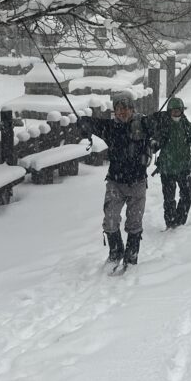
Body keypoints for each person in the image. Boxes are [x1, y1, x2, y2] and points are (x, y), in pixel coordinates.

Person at [79, 88, 154, 268]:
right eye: (118, 108)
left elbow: (161, 125)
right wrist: (83, 123)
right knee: (110, 220)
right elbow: (90, 123)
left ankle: (131, 255)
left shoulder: (143, 124)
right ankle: (116, 251)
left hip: (137, 182)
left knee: (134, 222)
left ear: (132, 108)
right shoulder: (110, 127)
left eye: (125, 108)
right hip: (115, 182)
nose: (122, 112)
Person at [151, 96, 191, 229]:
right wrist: (154, 139)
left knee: (186, 196)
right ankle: (170, 222)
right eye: (173, 111)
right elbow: (154, 144)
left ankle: (180, 221)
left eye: (178, 110)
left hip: (184, 168)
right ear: (169, 111)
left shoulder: (187, 126)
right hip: (167, 168)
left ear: (182, 111)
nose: (176, 113)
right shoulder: (163, 125)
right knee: (169, 198)